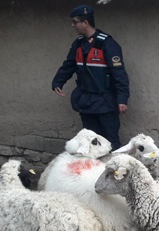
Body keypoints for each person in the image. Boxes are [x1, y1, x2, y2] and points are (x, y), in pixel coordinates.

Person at [52, 4, 129, 150]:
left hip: (105, 102)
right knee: (91, 144)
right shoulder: (78, 44)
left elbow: (119, 74)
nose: (73, 25)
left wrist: (122, 99)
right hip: (86, 102)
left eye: (75, 22)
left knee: (110, 142)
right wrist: (58, 81)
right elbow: (69, 65)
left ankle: (116, 172)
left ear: (85, 23)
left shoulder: (107, 44)